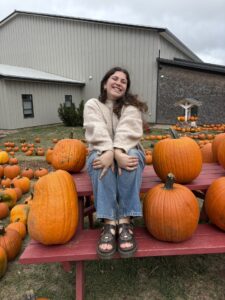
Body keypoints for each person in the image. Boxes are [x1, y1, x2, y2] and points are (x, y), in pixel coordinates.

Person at [83, 66, 148, 259]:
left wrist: (119, 151)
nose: (119, 83)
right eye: (115, 78)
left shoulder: (131, 107)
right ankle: (109, 222)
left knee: (131, 159)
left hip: (129, 148)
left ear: (126, 88)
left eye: (123, 81)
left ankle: (126, 219)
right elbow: (96, 127)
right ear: (105, 83)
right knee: (98, 161)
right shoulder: (92, 104)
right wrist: (108, 151)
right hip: (99, 150)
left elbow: (128, 129)